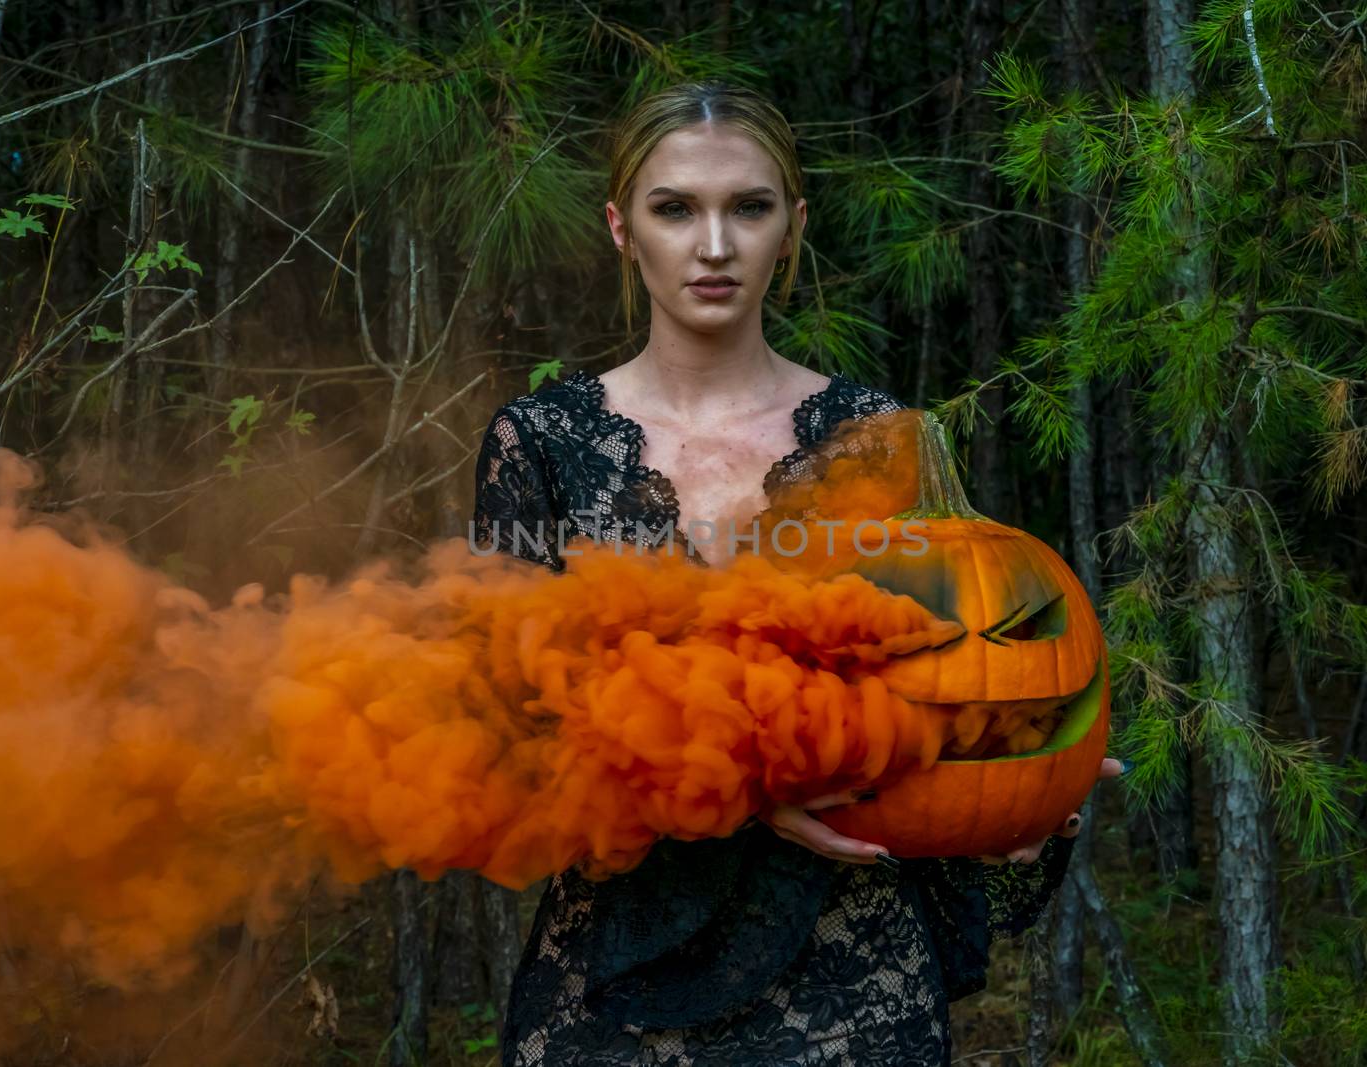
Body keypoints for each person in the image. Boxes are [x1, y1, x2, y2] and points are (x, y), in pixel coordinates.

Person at [473, 80, 1115, 1066]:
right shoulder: (543, 442)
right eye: (676, 207)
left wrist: (1019, 766)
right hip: (610, 993)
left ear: (793, 226)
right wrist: (741, 781)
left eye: (751, 207)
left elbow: (951, 667)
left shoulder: (875, 439)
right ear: (620, 227)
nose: (715, 244)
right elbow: (501, 736)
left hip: (852, 984)